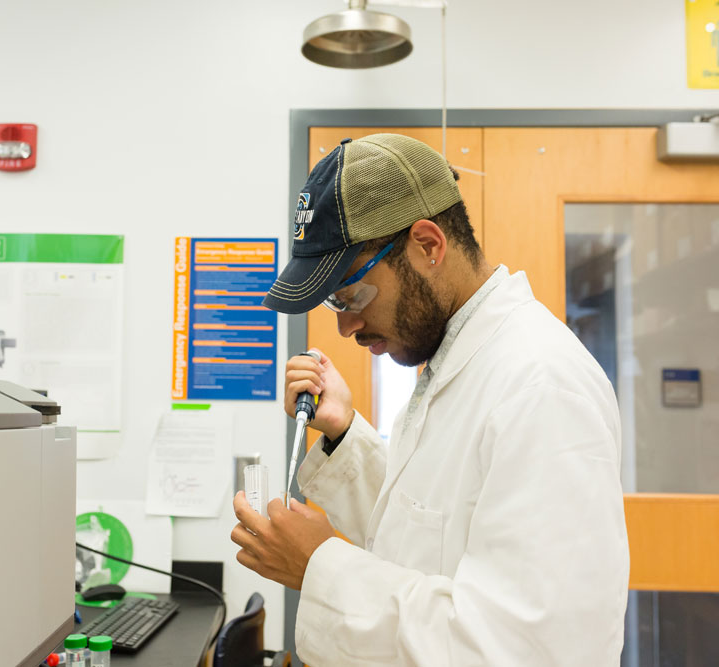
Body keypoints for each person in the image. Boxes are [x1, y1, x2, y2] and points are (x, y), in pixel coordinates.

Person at [230, 134, 629, 666]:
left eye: (351, 296)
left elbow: (528, 649)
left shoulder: (541, 388)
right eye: (333, 303)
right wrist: (345, 432)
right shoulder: (458, 362)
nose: (346, 326)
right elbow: (423, 537)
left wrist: (321, 566)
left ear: (428, 246)